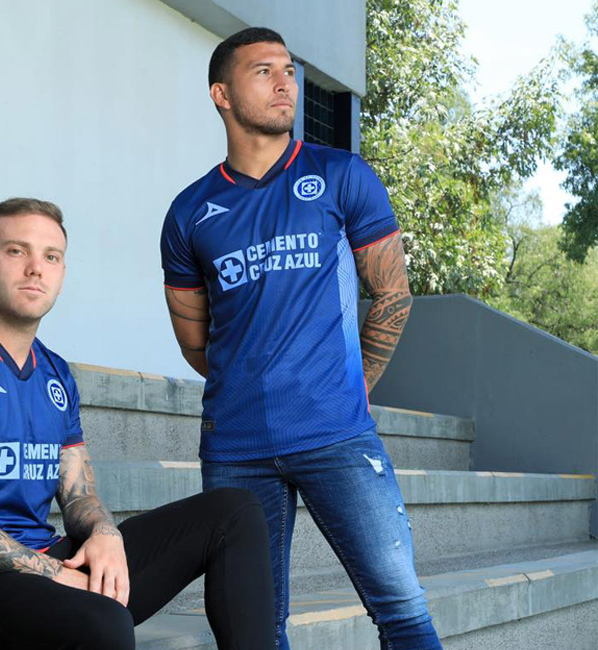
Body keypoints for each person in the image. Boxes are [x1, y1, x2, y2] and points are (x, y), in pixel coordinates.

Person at [160, 27, 442, 650]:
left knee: (402, 612)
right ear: (221, 95)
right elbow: (194, 340)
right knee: (254, 632)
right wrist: (250, 381)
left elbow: (392, 296)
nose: (284, 81)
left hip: (337, 433)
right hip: (235, 448)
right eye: (263, 71)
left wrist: (350, 387)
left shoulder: (341, 175)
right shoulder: (189, 212)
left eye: (288, 69)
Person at [0, 197, 276, 650]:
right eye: (16, 251)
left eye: (51, 257)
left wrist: (104, 533)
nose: (35, 268)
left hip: (46, 565)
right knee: (102, 623)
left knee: (233, 512)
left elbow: (78, 496)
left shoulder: (55, 373)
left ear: (61, 273)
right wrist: (54, 573)